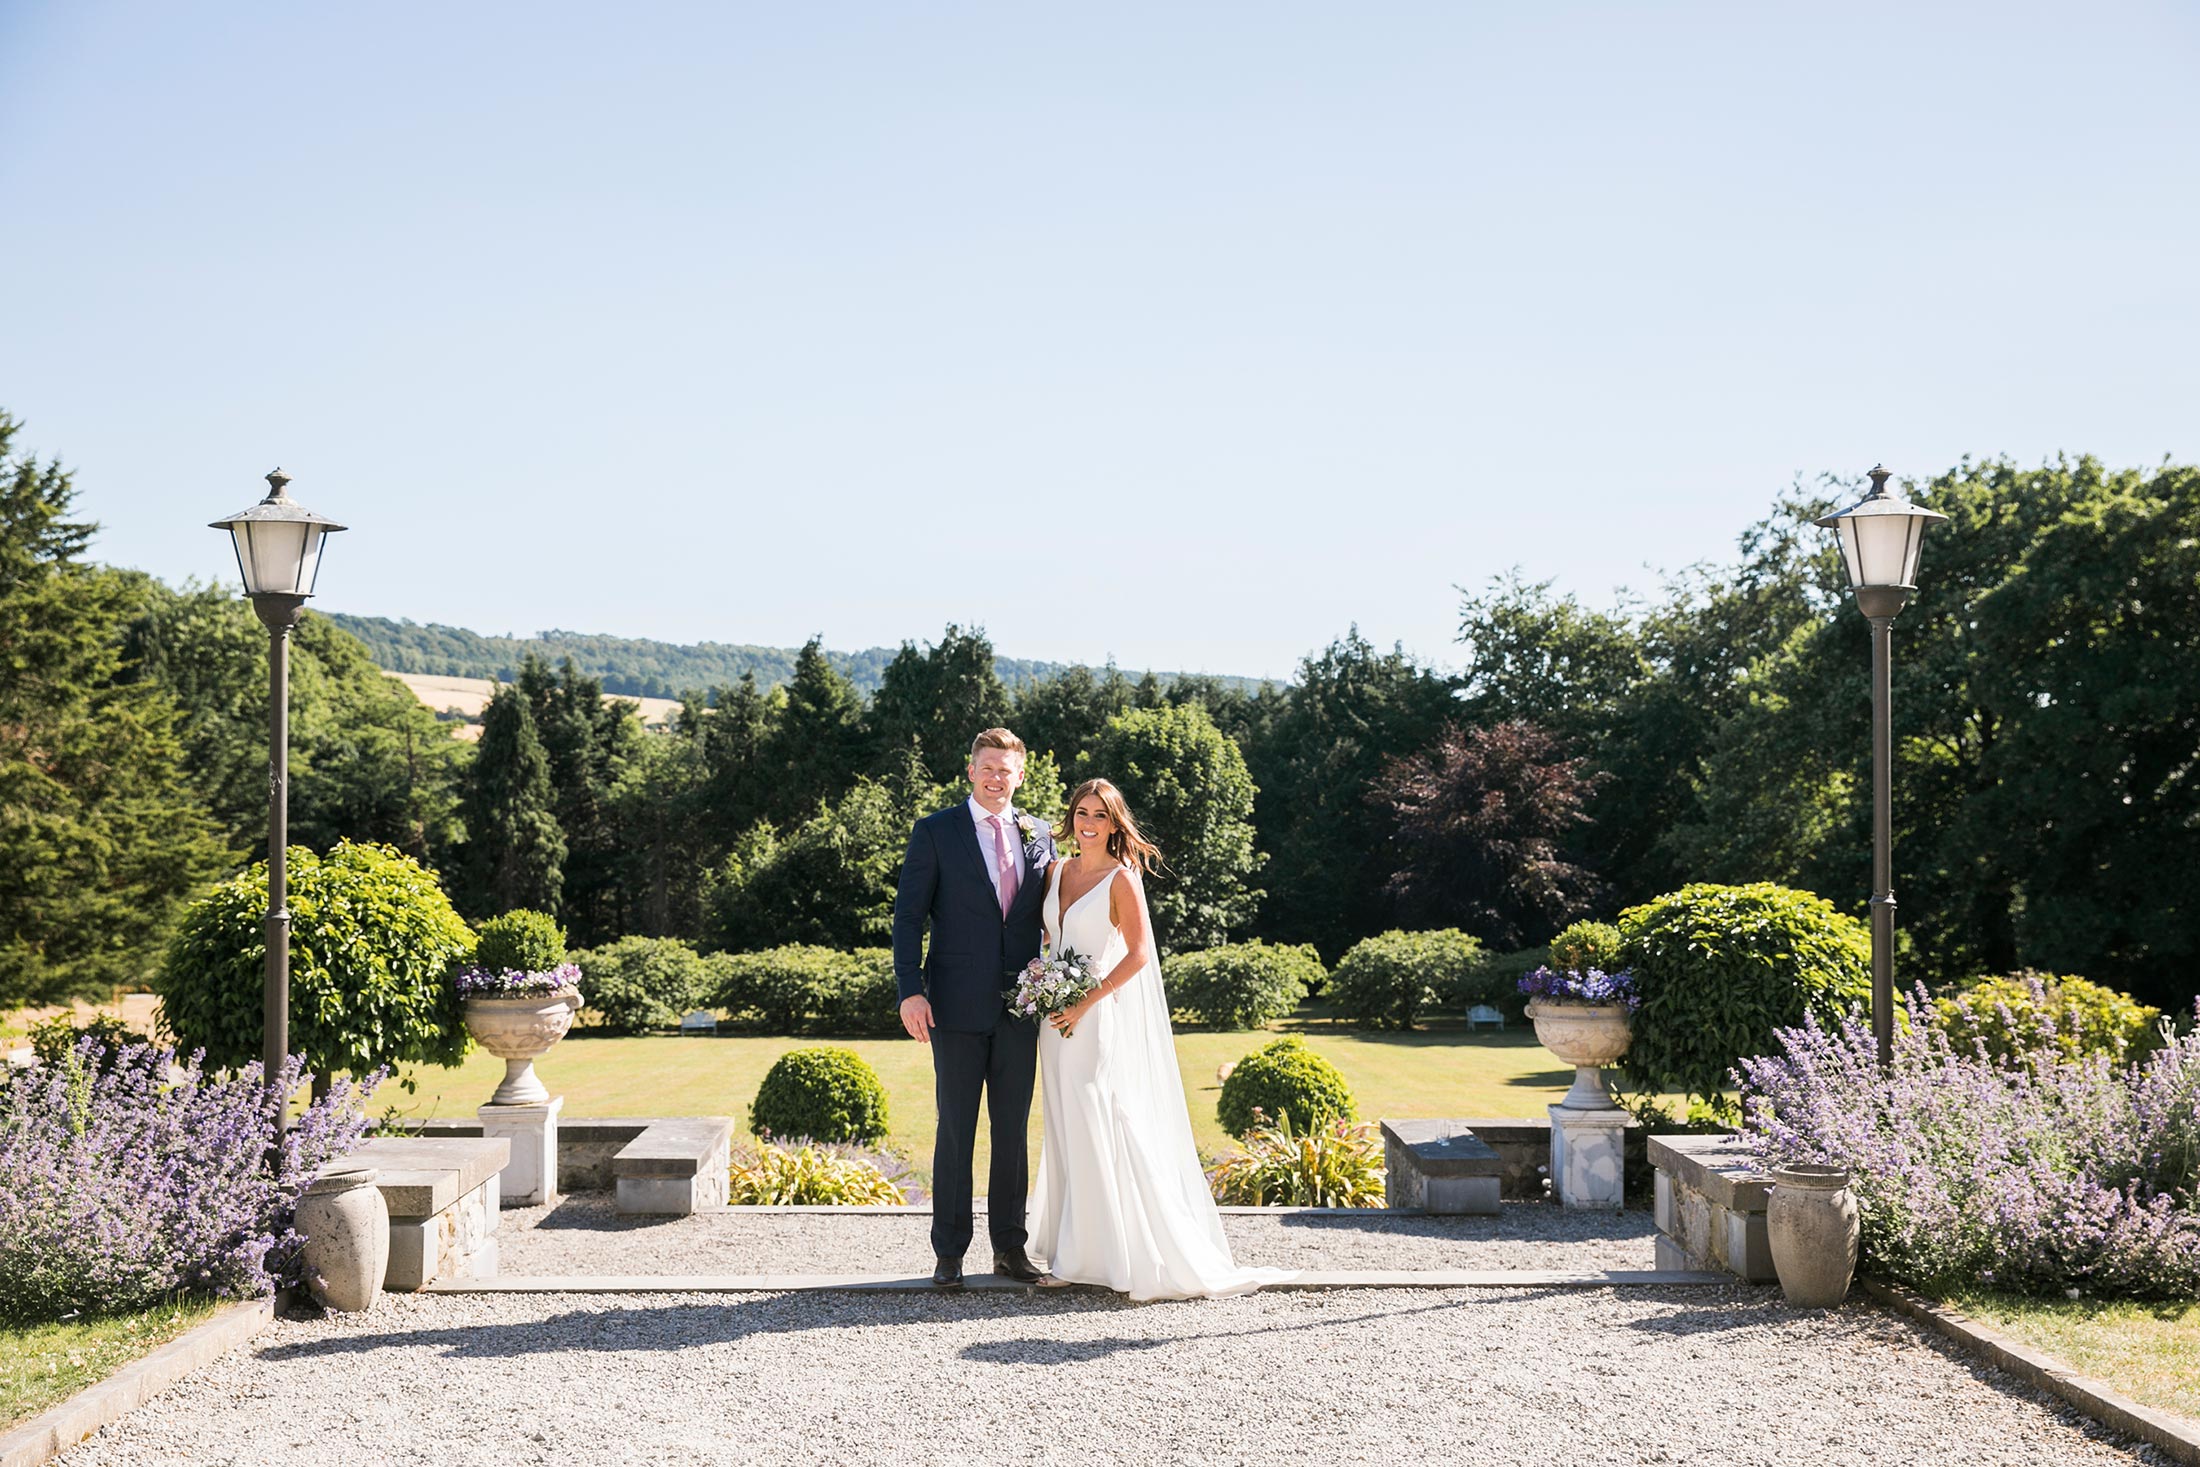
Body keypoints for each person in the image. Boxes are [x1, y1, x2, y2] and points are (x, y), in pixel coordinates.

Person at [1028, 778, 1288, 1299]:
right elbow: (1050, 938)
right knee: (1063, 1125)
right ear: (1071, 817)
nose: (1089, 823)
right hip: (1052, 1020)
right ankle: (1074, 1247)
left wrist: (1084, 1000)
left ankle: (1097, 1257)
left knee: (1093, 1122)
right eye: (1082, 812)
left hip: (1092, 1018)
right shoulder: (1056, 871)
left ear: (1114, 824)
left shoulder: (1121, 879)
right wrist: (1042, 984)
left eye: (1100, 816)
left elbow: (1139, 954)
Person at [891, 727, 1057, 1288]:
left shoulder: (1041, 835)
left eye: (1005, 770)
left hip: (1021, 1008)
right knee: (956, 1130)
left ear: (1020, 776)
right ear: (971, 771)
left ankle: (1010, 1247)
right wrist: (909, 990)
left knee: (1012, 1133)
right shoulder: (936, 831)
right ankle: (949, 1253)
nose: (995, 778)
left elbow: (1053, 914)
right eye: (987, 767)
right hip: (953, 1007)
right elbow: (908, 917)